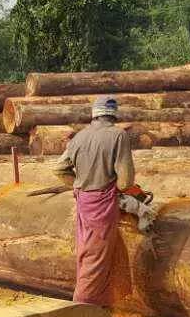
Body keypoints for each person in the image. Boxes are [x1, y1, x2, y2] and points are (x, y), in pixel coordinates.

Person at [53, 95, 136, 306]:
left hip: (84, 201)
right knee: (95, 258)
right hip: (102, 204)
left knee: (88, 252)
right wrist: (116, 190)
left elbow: (59, 168)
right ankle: (81, 309)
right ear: (113, 114)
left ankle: (100, 306)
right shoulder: (118, 135)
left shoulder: (79, 137)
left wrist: (77, 183)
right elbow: (125, 181)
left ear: (95, 114)